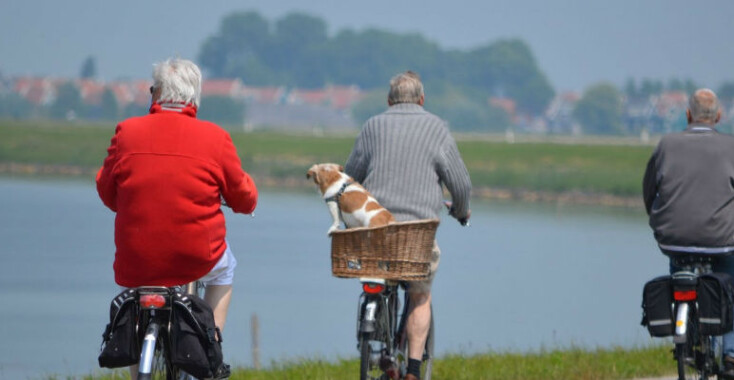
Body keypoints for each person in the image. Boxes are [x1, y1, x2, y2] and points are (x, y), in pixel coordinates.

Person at [96, 58, 257, 379]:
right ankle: (210, 344)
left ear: (154, 94)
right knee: (225, 271)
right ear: (195, 97)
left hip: (137, 256)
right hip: (195, 255)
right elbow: (243, 197)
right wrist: (242, 198)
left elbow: (106, 190)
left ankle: (137, 368)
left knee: (142, 301)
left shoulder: (127, 131)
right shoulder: (215, 137)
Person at [344, 71, 471, 380]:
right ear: (422, 100)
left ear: (389, 101)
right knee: (419, 295)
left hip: (375, 232)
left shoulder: (373, 126)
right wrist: (461, 211)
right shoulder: (437, 129)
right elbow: (461, 184)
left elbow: (350, 177)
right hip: (417, 236)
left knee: (379, 275)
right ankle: (414, 370)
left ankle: (381, 347)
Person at [643, 88, 734, 377]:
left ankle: (690, 337)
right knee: (730, 285)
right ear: (719, 117)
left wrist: (659, 221)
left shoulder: (666, 145)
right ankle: (731, 353)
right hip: (721, 242)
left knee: (680, 268)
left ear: (687, 115)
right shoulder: (731, 147)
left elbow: (649, 190)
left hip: (674, 239)